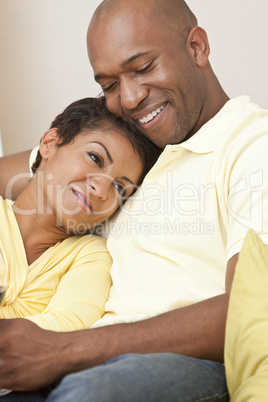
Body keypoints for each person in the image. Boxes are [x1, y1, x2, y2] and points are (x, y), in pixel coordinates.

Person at [0, 0, 268, 400]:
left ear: (197, 48)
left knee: (92, 393)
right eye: (108, 84)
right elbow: (36, 171)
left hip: (175, 363)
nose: (128, 98)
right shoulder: (140, 147)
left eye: (143, 68)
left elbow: (253, 306)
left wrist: (62, 350)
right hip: (73, 359)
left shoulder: (251, 145)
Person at [0, 95, 160, 333]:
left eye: (119, 187)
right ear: (50, 143)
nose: (101, 189)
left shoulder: (90, 257)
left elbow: (63, 331)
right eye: (95, 158)